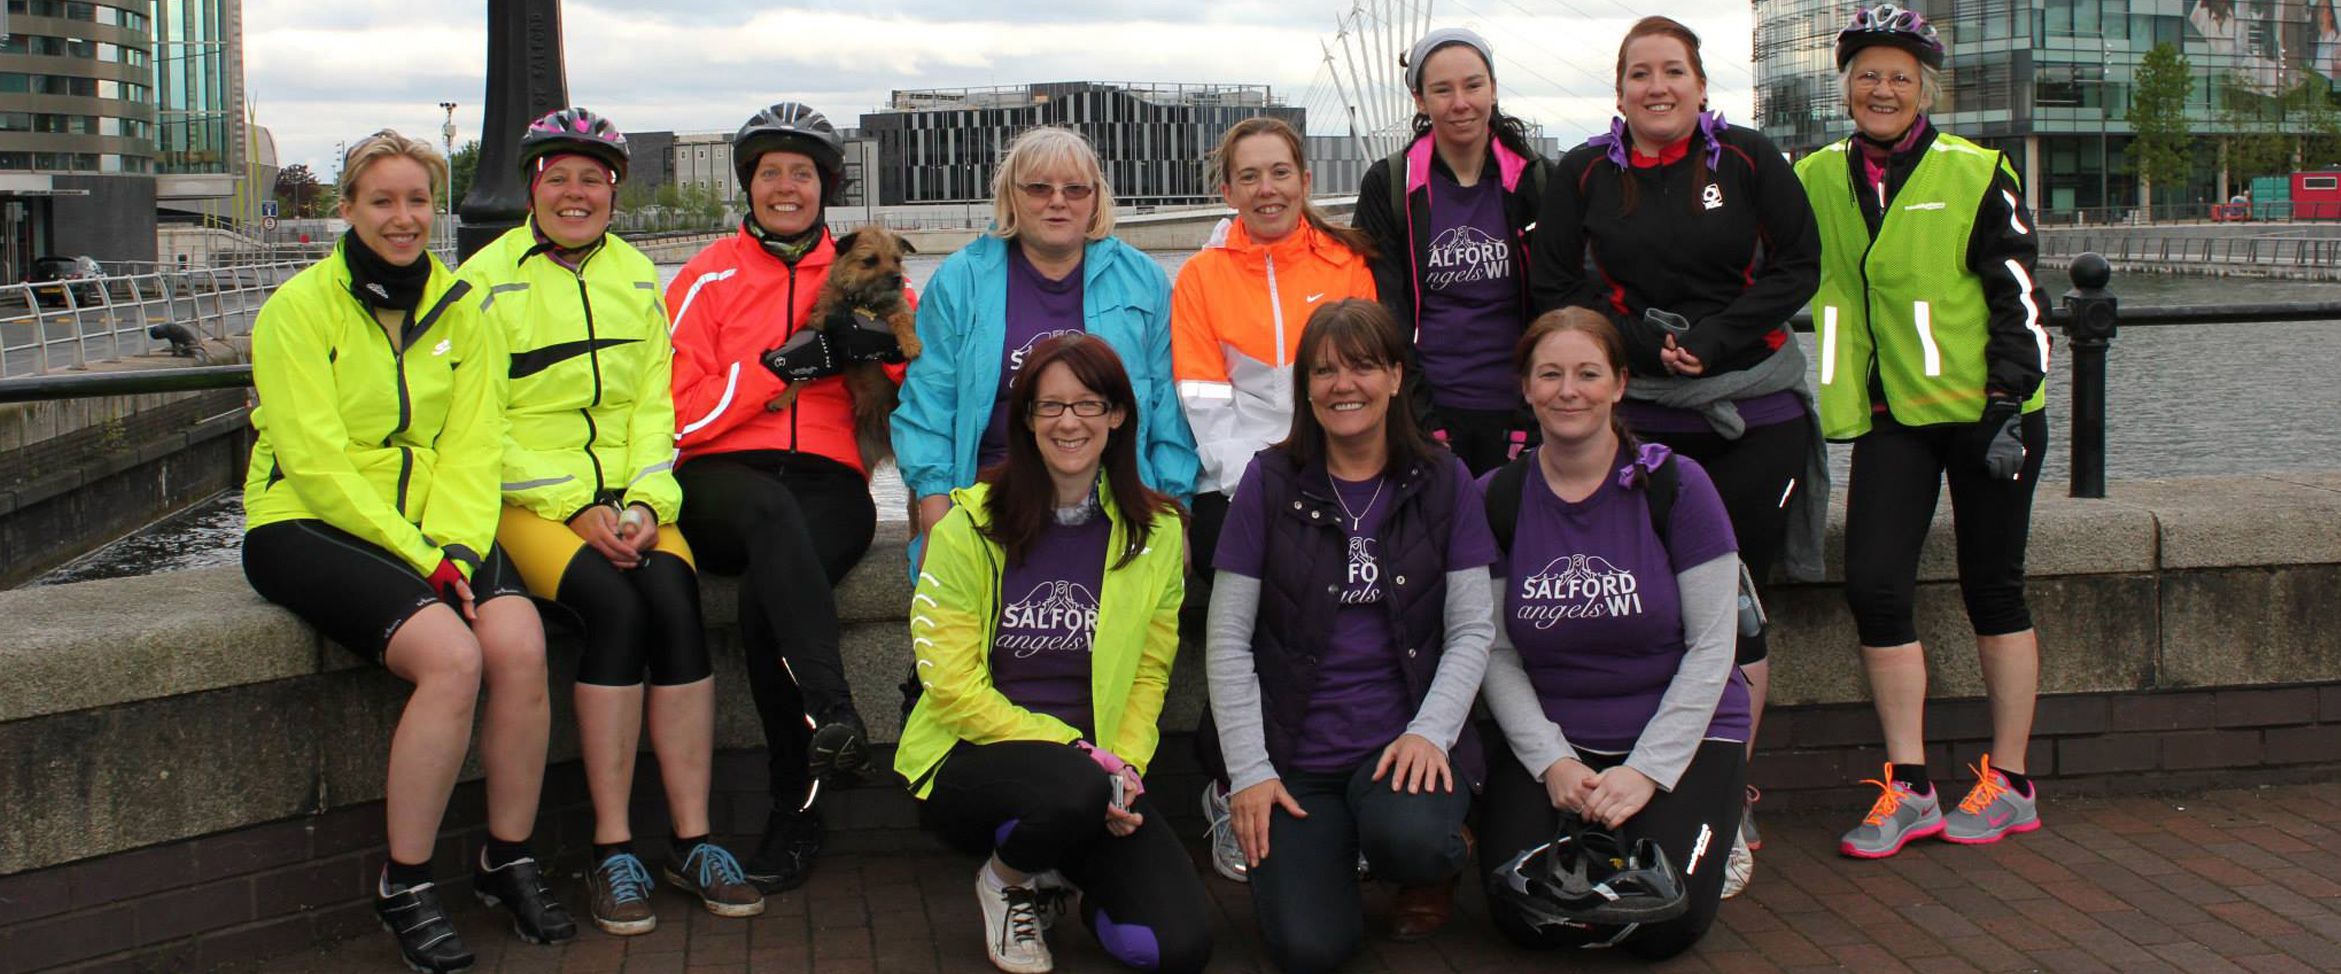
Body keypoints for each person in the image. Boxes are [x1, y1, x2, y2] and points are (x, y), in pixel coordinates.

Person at [240, 130, 572, 972]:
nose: (403, 217)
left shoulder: (463, 307)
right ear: (345, 210)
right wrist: (421, 560)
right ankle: (406, 883)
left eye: (418, 200)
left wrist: (456, 546)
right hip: (304, 521)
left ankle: (508, 856)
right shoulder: (298, 310)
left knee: (521, 646)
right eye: (382, 201)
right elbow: (314, 463)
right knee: (453, 660)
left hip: (437, 525)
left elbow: (473, 442)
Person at [1528, 14, 1826, 895]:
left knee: (1731, 611)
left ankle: (1728, 791)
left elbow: (1797, 266)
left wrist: (1718, 339)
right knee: (1647, 602)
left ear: (1700, 85)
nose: (1656, 88)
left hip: (1748, 402)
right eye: (1638, 75)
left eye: (1672, 72)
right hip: (1641, 409)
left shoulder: (1746, 160)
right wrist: (1640, 347)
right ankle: (1644, 772)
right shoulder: (1581, 173)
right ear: (1617, 92)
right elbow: (1557, 283)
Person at [459, 107, 761, 935]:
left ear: (615, 191)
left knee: (674, 596)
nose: (575, 192)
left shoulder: (636, 277)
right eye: (558, 177)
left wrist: (641, 505)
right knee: (617, 607)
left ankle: (692, 838)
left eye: (592, 178)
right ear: (533, 186)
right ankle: (612, 846)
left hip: (630, 502)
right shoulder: (485, 282)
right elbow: (482, 425)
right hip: (533, 504)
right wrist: (575, 508)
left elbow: (653, 412)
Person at [1794, 4, 2053, 859]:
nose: (1882, 88)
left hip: (1988, 412)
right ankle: (1908, 788)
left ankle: (2010, 783)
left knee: (1993, 587)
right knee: (1872, 584)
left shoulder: (1975, 170)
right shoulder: (1817, 176)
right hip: (1891, 412)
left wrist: (2008, 403)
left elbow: (2017, 295)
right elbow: (1764, 258)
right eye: (1867, 74)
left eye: (1900, 77)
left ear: (1924, 91)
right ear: (1845, 89)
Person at [895, 334, 1212, 974]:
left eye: (1089, 404)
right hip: (974, 761)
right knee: (1069, 788)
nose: (1069, 422)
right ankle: (1006, 879)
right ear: (1027, 421)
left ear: (1118, 415)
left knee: (1174, 947)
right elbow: (950, 685)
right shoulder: (966, 529)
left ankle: (1064, 873)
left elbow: (1151, 672)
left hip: (1093, 772)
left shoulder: (1157, 535)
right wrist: (1077, 754)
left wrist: (1123, 771)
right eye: (1050, 407)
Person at [1206, 299, 1497, 972]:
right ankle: (1336, 852)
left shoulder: (1444, 480)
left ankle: (1423, 861)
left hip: (1401, 748)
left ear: (1396, 377)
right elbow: (1226, 640)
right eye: (1324, 370)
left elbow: (1471, 629)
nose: (1344, 385)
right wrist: (1248, 773)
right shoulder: (1268, 482)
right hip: (1295, 759)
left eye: (1363, 366)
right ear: (1304, 388)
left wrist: (1430, 732)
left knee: (1413, 837)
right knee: (1311, 949)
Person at [664, 101, 910, 892]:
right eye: (770, 172)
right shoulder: (706, 277)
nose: (784, 186)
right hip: (720, 479)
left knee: (768, 601)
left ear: (824, 187)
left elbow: (914, 393)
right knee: (770, 519)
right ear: (749, 184)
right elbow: (675, 411)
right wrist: (778, 368)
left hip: (830, 480)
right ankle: (836, 711)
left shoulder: (867, 274)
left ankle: (794, 809)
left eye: (800, 173)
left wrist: (884, 352)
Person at [1476, 308, 1747, 957]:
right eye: (1550, 374)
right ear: (1526, 388)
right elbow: (1493, 650)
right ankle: (1591, 839)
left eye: (1587, 373)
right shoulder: (1494, 497)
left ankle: (1708, 826)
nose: (1568, 390)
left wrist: (1647, 771)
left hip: (1677, 732)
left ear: (1619, 384)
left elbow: (1713, 645)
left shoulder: (1678, 487)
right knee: (1527, 915)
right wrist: (1551, 760)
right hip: (1557, 738)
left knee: (1660, 922)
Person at [1169, 115, 1379, 884]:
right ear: (1227, 190)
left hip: (1343, 471)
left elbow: (1361, 382)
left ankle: (1339, 785)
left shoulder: (1348, 262)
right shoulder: (1198, 277)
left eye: (1279, 173)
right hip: (1239, 481)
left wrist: (1339, 477)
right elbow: (1202, 398)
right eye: (1249, 176)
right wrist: (1266, 488)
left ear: (1304, 181)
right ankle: (1227, 779)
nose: (1266, 189)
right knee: (1258, 619)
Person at [895, 126, 1197, 570]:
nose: (1058, 201)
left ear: (1095, 198)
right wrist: (935, 509)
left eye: (1075, 189)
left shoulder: (1143, 281)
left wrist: (1175, 513)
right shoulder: (961, 281)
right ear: (1012, 196)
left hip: (1115, 495)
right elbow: (928, 404)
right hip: (991, 492)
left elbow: (1168, 410)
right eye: (1039, 188)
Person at [1352, 27, 1554, 475]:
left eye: (1473, 85)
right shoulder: (1388, 187)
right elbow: (1386, 315)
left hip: (1525, 412)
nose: (1460, 102)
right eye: (1442, 90)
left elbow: (1558, 305)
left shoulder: (1537, 182)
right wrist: (1422, 420)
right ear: (1420, 101)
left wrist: (1535, 414)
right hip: (1426, 414)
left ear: (1494, 90)